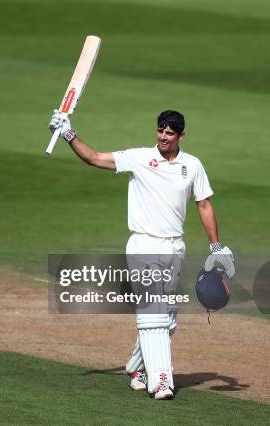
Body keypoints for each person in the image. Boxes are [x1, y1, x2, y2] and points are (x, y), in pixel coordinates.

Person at [48, 109, 235, 400]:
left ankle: (137, 368)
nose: (163, 136)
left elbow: (204, 205)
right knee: (154, 314)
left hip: (174, 247)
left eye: (170, 132)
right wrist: (69, 134)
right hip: (143, 244)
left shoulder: (192, 165)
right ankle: (161, 381)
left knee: (168, 319)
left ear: (181, 136)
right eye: (160, 130)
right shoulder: (139, 158)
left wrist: (216, 246)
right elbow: (95, 158)